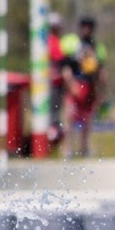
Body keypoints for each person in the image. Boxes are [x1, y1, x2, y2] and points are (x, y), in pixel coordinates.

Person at [60, 16, 106, 158]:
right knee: (69, 117)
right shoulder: (73, 45)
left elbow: (101, 73)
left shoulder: (97, 47)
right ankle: (67, 149)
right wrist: (71, 84)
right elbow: (66, 68)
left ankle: (84, 148)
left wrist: (100, 93)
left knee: (87, 120)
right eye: (84, 26)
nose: (86, 29)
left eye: (89, 26)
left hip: (89, 87)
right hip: (75, 84)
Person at [46, 12, 66, 149]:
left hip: (57, 83)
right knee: (53, 113)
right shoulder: (52, 41)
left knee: (56, 112)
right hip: (52, 83)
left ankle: (54, 139)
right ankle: (51, 140)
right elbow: (60, 60)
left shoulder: (54, 41)